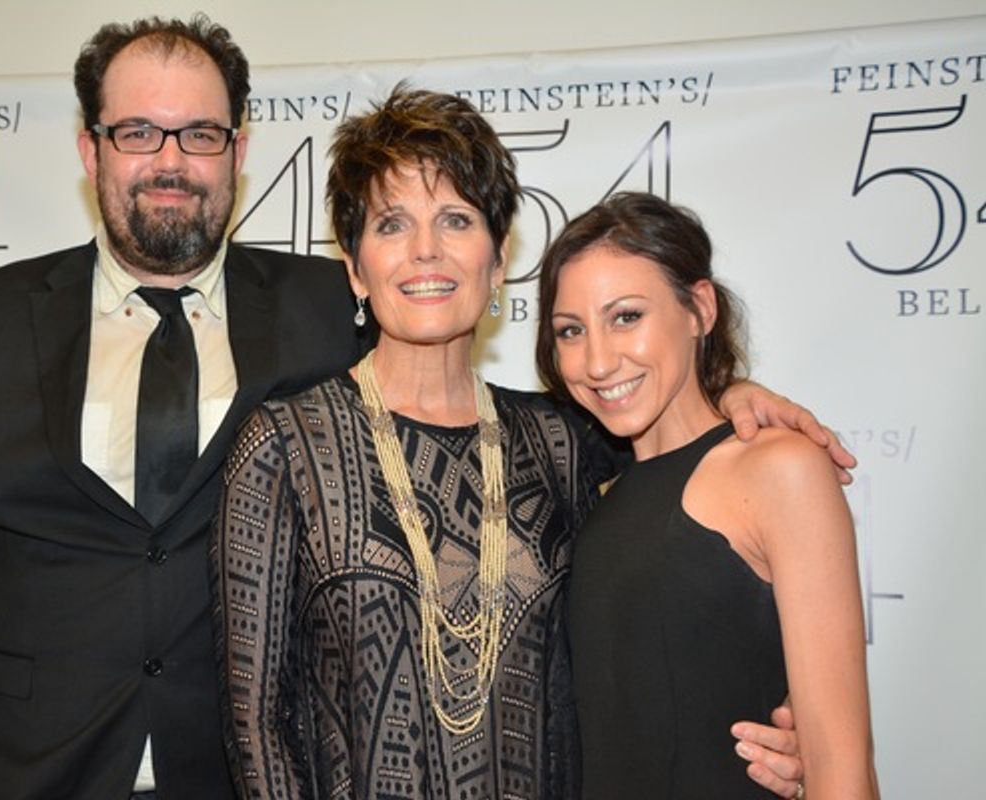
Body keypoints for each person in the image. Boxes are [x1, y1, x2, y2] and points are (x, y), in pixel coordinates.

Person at [211, 88, 838, 799]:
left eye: (456, 219)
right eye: (392, 224)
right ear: (354, 268)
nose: (426, 250)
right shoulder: (283, 446)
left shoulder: (564, 439)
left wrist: (730, 393)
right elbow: (256, 721)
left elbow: (680, 522)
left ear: (499, 257)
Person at [0, 15, 362, 800]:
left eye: (201, 135)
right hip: (23, 775)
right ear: (92, 150)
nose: (171, 162)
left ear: (240, 153)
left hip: (253, 779)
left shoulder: (328, 309)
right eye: (139, 132)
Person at [536, 192, 878, 799]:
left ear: (699, 309)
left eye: (626, 317)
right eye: (571, 330)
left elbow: (841, 766)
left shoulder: (781, 468)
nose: (597, 360)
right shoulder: (593, 491)